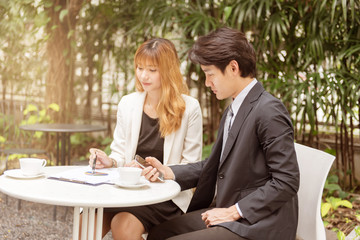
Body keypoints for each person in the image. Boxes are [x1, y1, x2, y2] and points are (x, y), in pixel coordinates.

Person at [143, 27, 300, 240]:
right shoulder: (234, 108)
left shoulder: (268, 110)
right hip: (232, 212)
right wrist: (170, 172)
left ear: (233, 67)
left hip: (259, 224)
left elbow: (287, 180)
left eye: (210, 74)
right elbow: (216, 165)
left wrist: (234, 211)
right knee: (159, 233)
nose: (207, 83)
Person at [88, 38, 203, 239]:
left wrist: (162, 173)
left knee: (123, 224)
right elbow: (120, 153)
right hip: (128, 189)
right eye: (140, 68)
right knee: (88, 218)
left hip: (167, 195)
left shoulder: (189, 108)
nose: (143, 75)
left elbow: (192, 166)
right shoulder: (128, 103)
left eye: (152, 70)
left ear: (167, 71)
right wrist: (111, 161)